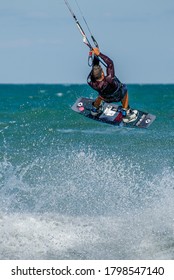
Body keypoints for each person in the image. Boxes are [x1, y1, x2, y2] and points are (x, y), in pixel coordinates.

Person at [87, 48, 138, 123]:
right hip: (118, 97)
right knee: (124, 88)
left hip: (106, 99)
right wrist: (99, 54)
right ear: (102, 73)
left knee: (100, 95)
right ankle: (125, 113)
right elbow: (110, 63)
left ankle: (95, 110)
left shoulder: (91, 83)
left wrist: (95, 57)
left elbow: (94, 71)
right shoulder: (109, 79)